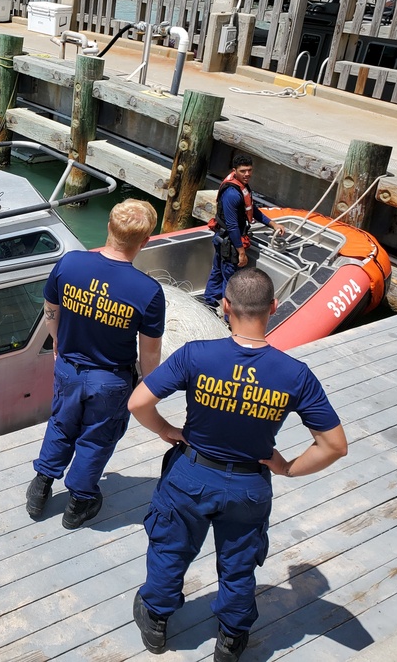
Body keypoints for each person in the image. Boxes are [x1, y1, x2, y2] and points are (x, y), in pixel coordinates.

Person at [128, 267, 348, 661]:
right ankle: (230, 639)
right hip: (248, 486)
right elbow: (334, 445)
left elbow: (138, 402)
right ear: (274, 308)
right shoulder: (295, 375)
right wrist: (288, 468)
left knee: (170, 550)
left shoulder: (196, 354)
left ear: (225, 306)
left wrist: (165, 430)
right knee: (238, 565)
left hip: (190, 475)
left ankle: (157, 623)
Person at [25, 199, 165, 529]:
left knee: (61, 424)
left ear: (109, 228)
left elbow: (51, 307)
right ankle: (79, 503)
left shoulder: (70, 264)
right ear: (144, 241)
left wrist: (57, 339)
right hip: (111, 381)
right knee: (96, 438)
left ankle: (40, 488)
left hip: (68, 368)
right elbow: (149, 354)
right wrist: (148, 387)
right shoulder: (148, 291)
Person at [203, 155, 286, 308]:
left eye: (249, 170)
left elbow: (251, 208)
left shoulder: (243, 187)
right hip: (230, 242)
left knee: (218, 271)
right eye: (243, 171)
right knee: (230, 278)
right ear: (234, 171)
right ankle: (228, 317)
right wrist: (241, 252)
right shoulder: (232, 194)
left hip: (222, 238)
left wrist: (272, 224)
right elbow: (233, 225)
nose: (247, 174)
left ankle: (209, 301)